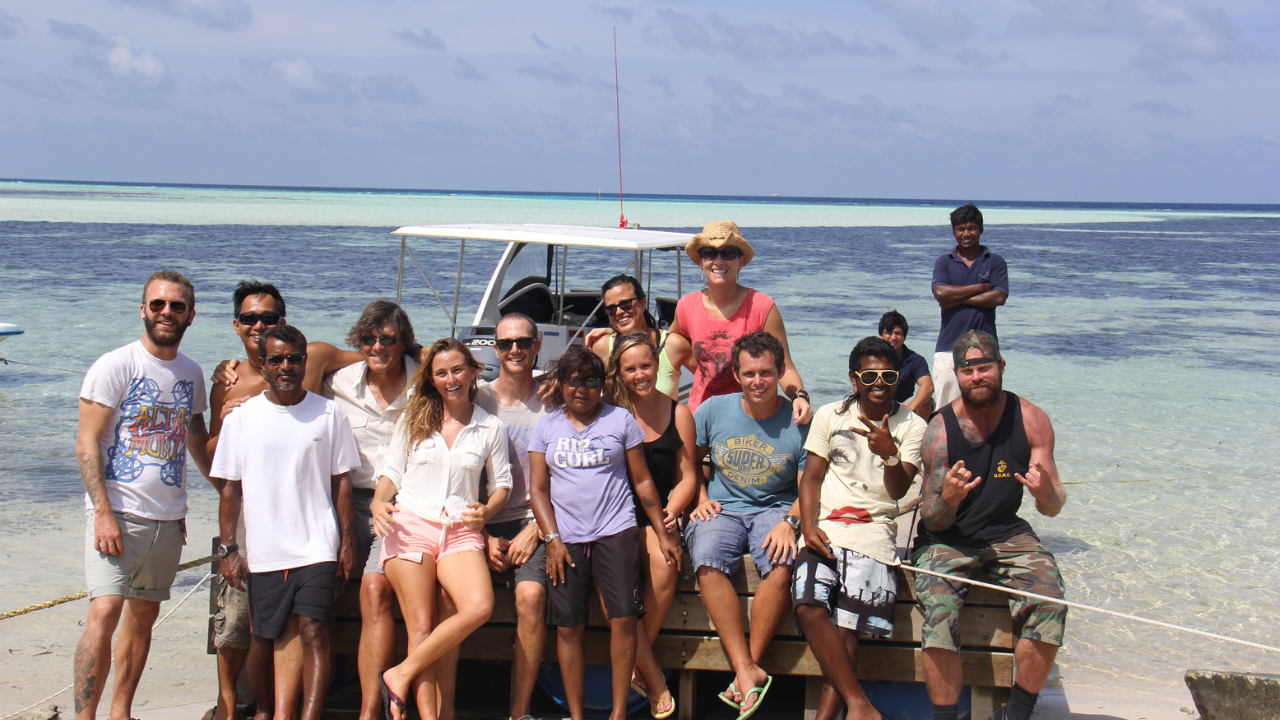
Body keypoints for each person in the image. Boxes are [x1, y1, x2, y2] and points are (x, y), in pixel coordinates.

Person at [74, 270, 213, 720]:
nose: (166, 312)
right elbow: (86, 442)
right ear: (143, 310)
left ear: (190, 315)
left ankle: (121, 713)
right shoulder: (116, 365)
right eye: (158, 304)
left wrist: (229, 493)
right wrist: (102, 513)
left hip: (168, 521)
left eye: (176, 306)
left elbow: (195, 440)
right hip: (117, 513)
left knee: (143, 618)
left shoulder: (191, 373)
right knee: (104, 612)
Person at [914, 331, 1067, 720]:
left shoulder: (1031, 419)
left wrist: (1046, 493)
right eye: (967, 371)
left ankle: (1016, 713)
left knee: (1049, 598)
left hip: (1007, 532)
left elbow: (1052, 507)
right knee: (940, 612)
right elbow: (931, 518)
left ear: (1001, 367)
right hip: (947, 539)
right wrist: (949, 499)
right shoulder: (939, 429)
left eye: (984, 367)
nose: (976, 377)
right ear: (957, 375)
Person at [212, 325, 359, 720]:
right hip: (265, 550)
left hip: (318, 546)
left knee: (315, 630)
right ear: (262, 364)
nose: (286, 366)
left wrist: (346, 542)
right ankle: (265, 711)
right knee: (263, 638)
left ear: (305, 361)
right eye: (276, 359)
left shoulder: (329, 413)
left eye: (294, 358)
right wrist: (229, 549)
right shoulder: (242, 418)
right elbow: (230, 490)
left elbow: (342, 482)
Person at [528, 347, 681, 720]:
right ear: (561, 384)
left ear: (602, 385)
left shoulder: (620, 419)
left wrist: (662, 532)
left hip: (616, 530)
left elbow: (642, 481)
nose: (581, 389)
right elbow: (538, 490)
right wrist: (552, 540)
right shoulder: (546, 426)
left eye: (591, 381)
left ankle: (618, 713)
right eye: (573, 381)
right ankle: (577, 715)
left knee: (624, 619)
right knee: (569, 627)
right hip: (565, 538)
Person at [372, 338, 512, 720]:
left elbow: (501, 484)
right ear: (431, 379)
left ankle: (400, 674)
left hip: (461, 529)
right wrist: (378, 501)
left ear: (472, 371)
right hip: (411, 524)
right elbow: (391, 472)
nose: (451, 379)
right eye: (441, 373)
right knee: (420, 627)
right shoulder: (413, 418)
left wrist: (488, 511)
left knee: (480, 606)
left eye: (457, 370)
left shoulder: (490, 426)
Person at [795, 337, 927, 720]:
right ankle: (860, 705)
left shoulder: (913, 426)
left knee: (847, 627)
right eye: (869, 376)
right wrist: (807, 525)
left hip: (873, 531)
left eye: (888, 376)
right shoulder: (830, 415)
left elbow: (898, 491)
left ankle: (841, 713)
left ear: (898, 378)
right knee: (807, 606)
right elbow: (811, 478)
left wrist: (890, 454)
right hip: (826, 527)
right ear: (854, 379)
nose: (879, 383)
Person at [684, 331, 807, 720]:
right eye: (749, 373)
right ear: (736, 375)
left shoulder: (800, 420)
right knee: (706, 556)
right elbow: (689, 462)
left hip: (776, 506)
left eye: (766, 373)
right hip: (722, 505)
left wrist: (791, 523)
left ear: (781, 372)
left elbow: (811, 486)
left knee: (782, 561)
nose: (758, 382)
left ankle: (746, 667)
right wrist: (700, 497)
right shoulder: (712, 409)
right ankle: (746, 669)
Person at [321, 300, 420, 720]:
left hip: (402, 507)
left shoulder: (425, 382)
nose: (377, 347)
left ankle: (368, 711)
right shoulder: (337, 383)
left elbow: (477, 382)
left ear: (404, 342)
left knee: (375, 589)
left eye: (388, 339)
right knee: (313, 587)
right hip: (345, 501)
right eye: (368, 339)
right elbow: (283, 384)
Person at [602, 332, 699, 717]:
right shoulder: (607, 410)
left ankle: (636, 661)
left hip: (658, 514)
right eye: (630, 369)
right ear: (618, 372)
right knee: (610, 582)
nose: (640, 374)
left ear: (658, 366)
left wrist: (671, 510)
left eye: (646, 366)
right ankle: (651, 674)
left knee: (665, 563)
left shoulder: (679, 413)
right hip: (612, 517)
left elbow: (688, 476)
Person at [207, 280, 287, 720]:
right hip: (246, 507)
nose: (259, 325)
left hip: (296, 508)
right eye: (250, 318)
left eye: (268, 318)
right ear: (236, 325)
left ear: (282, 321)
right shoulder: (229, 381)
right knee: (236, 614)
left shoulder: (304, 361)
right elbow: (214, 461)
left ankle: (272, 705)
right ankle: (228, 703)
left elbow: (376, 354)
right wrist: (222, 426)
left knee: (288, 614)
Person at [476, 313, 552, 720]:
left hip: (533, 518)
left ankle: (519, 712)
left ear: (538, 344)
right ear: (495, 349)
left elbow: (571, 474)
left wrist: (537, 528)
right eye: (506, 344)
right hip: (478, 520)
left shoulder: (554, 398)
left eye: (524, 342)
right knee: (445, 595)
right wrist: (482, 537)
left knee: (531, 596)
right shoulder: (476, 398)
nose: (515, 350)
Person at [669, 221, 812, 424]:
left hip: (748, 421)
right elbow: (669, 348)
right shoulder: (686, 306)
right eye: (710, 253)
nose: (718, 261)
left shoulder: (761, 307)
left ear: (741, 261)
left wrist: (799, 397)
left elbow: (785, 368)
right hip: (699, 419)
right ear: (701, 262)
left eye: (728, 253)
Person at [930, 204, 1008, 409]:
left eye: (971, 228)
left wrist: (956, 299)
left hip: (986, 348)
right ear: (954, 232)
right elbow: (940, 293)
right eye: (961, 229)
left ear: (981, 229)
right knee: (946, 411)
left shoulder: (995, 262)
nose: (966, 234)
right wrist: (980, 288)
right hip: (948, 348)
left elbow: (999, 297)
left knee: (986, 408)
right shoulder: (944, 262)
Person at [584, 274, 691, 400]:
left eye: (625, 304)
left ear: (643, 303)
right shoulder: (603, 346)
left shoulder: (672, 345)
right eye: (611, 309)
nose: (619, 312)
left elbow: (709, 377)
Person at [878, 310, 933, 419]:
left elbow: (928, 386)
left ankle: (922, 429)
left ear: (904, 337)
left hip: (905, 407)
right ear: (881, 336)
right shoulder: (872, 358)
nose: (893, 337)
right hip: (878, 404)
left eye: (897, 333)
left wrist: (909, 408)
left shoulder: (915, 360)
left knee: (927, 401)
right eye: (889, 332)